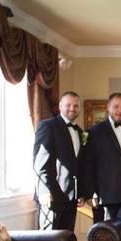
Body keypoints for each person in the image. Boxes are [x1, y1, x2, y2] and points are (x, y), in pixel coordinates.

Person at [32, 90, 85, 230]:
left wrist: (80, 192)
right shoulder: (48, 126)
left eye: (76, 106)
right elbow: (40, 163)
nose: (72, 109)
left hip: (71, 198)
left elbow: (78, 165)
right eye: (68, 105)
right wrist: (44, 191)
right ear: (60, 106)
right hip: (51, 196)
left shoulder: (80, 132)